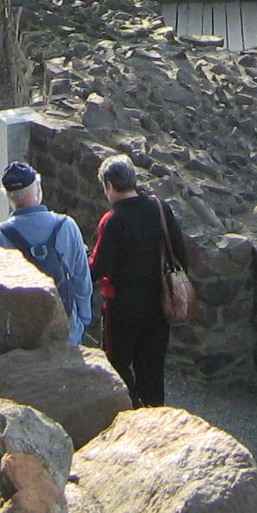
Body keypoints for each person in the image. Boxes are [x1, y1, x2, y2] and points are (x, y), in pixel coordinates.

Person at [87, 153, 188, 407]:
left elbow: (99, 266)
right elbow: (180, 252)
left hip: (123, 306)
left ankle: (131, 409)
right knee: (152, 365)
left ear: (110, 185)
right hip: (158, 301)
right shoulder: (159, 208)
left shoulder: (113, 220)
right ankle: (155, 413)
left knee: (116, 363)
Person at [0, 162, 94, 346]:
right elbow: (81, 278)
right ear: (38, 188)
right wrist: (83, 319)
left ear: (8, 197)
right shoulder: (66, 226)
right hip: (67, 329)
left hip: (23, 334)